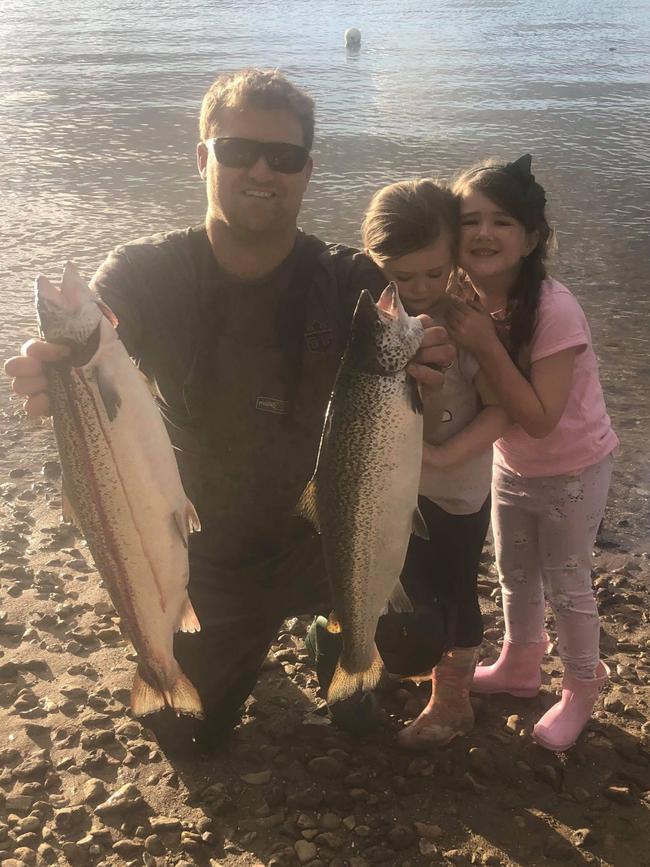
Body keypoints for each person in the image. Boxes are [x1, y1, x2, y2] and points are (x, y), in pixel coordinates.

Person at [4, 68, 455, 755]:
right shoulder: (145, 272)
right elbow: (96, 331)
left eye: (286, 156)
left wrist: (433, 367)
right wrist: (55, 378)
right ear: (202, 157)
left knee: (418, 629)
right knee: (186, 737)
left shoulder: (351, 282)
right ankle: (249, 640)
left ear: (308, 171)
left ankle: (335, 628)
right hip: (208, 549)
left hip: (328, 532)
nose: (263, 170)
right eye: (239, 149)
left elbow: (407, 391)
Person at [446, 154, 619, 752]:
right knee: (513, 573)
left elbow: (543, 420)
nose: (484, 234)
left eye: (502, 222)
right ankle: (521, 662)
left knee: (568, 583)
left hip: (572, 468)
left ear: (532, 238)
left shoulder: (554, 309)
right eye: (469, 221)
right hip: (511, 463)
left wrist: (484, 346)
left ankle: (581, 688)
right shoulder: (463, 296)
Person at [360, 179, 509, 748]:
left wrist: (445, 452)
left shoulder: (469, 326)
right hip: (392, 491)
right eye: (402, 276)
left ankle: (452, 701)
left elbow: (500, 411)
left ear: (453, 261)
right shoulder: (375, 325)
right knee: (392, 578)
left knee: (455, 589)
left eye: (434, 273)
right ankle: (379, 658)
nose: (420, 289)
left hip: (456, 491)